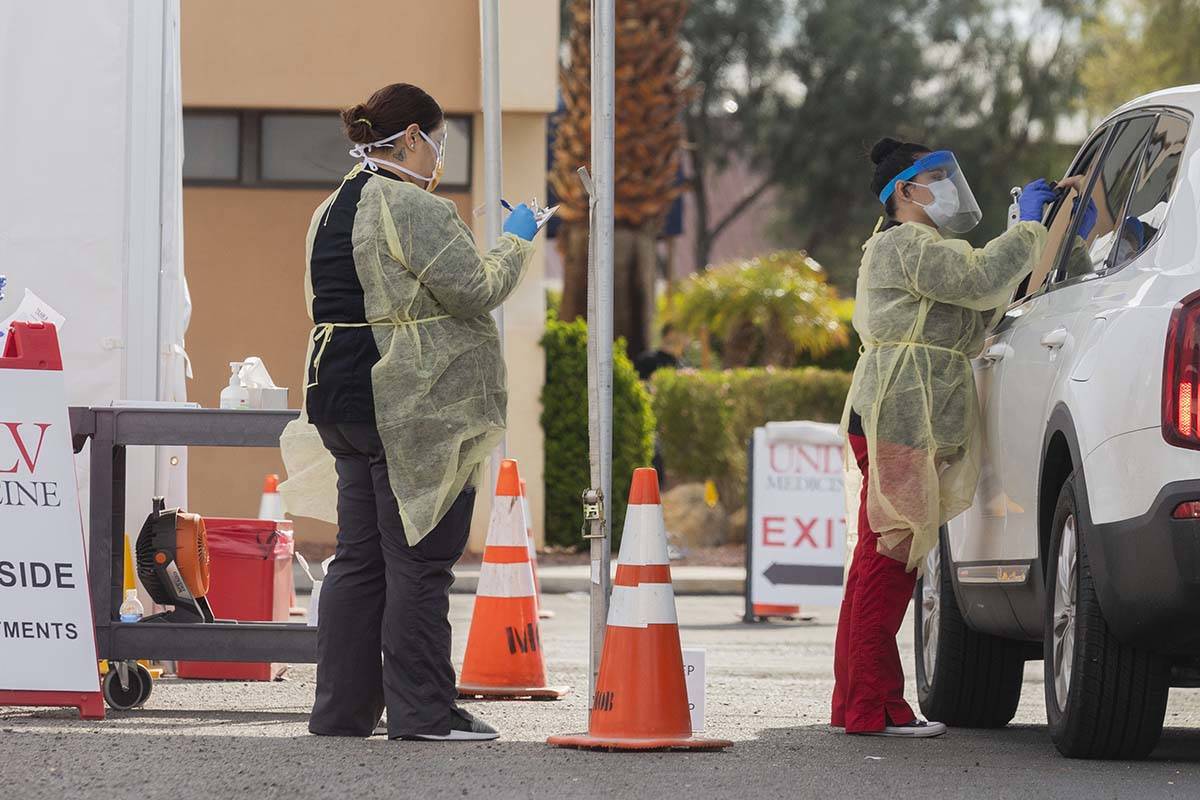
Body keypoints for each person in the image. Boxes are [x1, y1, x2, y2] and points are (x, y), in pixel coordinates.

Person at [278, 83, 540, 741]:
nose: (440, 155)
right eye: (440, 139)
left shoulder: (330, 208)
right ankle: (425, 712)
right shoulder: (412, 206)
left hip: (336, 396)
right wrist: (517, 238)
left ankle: (340, 713)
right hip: (405, 407)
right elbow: (477, 290)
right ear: (417, 137)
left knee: (358, 560)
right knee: (419, 560)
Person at [831, 137, 1079, 738]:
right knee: (889, 561)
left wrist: (1047, 241)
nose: (945, 187)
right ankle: (870, 709)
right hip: (900, 414)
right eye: (933, 178)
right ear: (906, 192)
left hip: (897, 412)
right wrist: (1025, 229)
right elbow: (981, 278)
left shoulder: (915, 248)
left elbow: (981, 311)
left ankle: (862, 703)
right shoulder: (909, 244)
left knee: (877, 558)